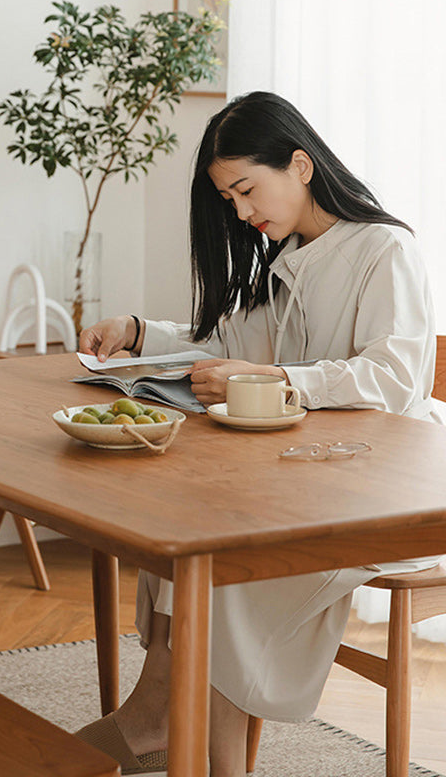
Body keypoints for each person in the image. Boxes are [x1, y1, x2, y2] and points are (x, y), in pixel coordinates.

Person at [74, 91, 443, 777]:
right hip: (314, 470)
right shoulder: (293, 257)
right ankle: (157, 718)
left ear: (300, 165)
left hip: (390, 486)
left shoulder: (383, 249)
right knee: (187, 529)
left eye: (246, 190)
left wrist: (279, 378)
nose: (242, 212)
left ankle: (194, 749)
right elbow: (226, 345)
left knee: (226, 569)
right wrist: (135, 331)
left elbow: (395, 380)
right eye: (230, 199)